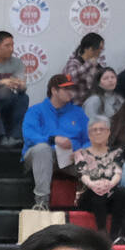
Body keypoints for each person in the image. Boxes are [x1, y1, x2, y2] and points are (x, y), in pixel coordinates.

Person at [23, 76, 89, 211]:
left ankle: (90, 205)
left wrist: (83, 150)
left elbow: (90, 139)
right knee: (42, 149)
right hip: (40, 156)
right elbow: (29, 135)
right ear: (54, 90)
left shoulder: (79, 113)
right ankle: (41, 203)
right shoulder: (36, 110)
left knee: (95, 157)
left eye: (72, 88)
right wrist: (53, 139)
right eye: (66, 88)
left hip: (70, 158)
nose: (70, 92)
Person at [76, 118, 125, 243]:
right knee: (97, 192)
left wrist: (110, 184)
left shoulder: (117, 152)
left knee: (121, 192)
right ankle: (101, 231)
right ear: (89, 134)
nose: (98, 132)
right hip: (89, 195)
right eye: (94, 130)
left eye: (102, 129)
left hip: (109, 193)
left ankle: (115, 235)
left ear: (108, 133)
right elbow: (83, 175)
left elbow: (118, 173)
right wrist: (93, 184)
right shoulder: (81, 153)